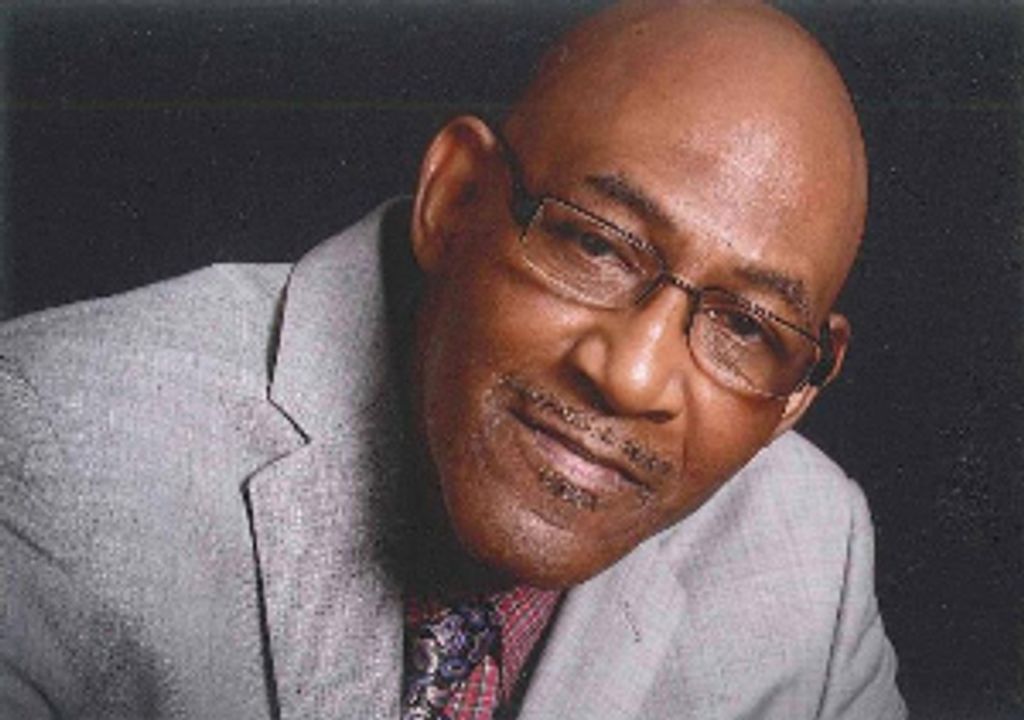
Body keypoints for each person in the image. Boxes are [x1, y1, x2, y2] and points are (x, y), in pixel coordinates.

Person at [0, 1, 905, 718]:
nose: (632, 376)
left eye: (746, 328)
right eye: (596, 245)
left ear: (799, 394)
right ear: (456, 199)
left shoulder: (809, 555)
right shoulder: (56, 449)